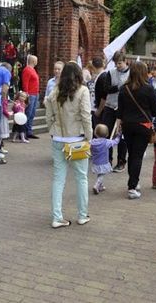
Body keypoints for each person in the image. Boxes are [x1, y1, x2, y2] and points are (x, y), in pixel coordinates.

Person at [44, 62, 92, 228]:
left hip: (58, 138)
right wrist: (89, 137)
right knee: (81, 178)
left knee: (58, 179)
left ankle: (57, 216)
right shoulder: (82, 91)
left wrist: (52, 130)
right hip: (77, 139)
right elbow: (86, 116)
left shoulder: (55, 91)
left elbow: (48, 115)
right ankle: (82, 214)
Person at [115, 61, 156, 200]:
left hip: (127, 125)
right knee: (137, 156)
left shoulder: (124, 88)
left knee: (131, 154)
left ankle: (133, 182)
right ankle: (132, 186)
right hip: (143, 126)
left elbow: (120, 110)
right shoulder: (148, 89)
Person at [100, 51, 130, 171]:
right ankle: (108, 160)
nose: (118, 66)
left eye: (120, 63)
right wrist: (118, 88)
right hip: (110, 107)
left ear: (125, 61)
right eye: (116, 63)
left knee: (121, 136)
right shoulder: (110, 73)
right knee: (108, 135)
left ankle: (121, 161)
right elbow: (106, 88)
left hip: (124, 109)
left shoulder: (131, 74)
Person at [90, 124, 120, 195]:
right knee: (102, 175)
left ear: (95, 133)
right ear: (107, 134)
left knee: (100, 173)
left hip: (95, 162)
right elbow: (115, 142)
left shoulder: (92, 142)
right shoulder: (106, 142)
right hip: (103, 162)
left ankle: (100, 186)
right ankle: (97, 185)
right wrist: (118, 136)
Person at [21, 54, 40, 139]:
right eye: (36, 60)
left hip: (35, 94)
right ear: (33, 61)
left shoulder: (33, 70)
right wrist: (26, 94)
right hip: (30, 94)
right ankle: (24, 132)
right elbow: (25, 83)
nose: (37, 61)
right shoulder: (27, 70)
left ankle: (29, 130)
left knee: (32, 113)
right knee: (28, 113)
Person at [87, 57, 105, 128]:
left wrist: (99, 110)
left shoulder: (102, 77)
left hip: (98, 110)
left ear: (93, 67)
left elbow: (103, 96)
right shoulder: (100, 76)